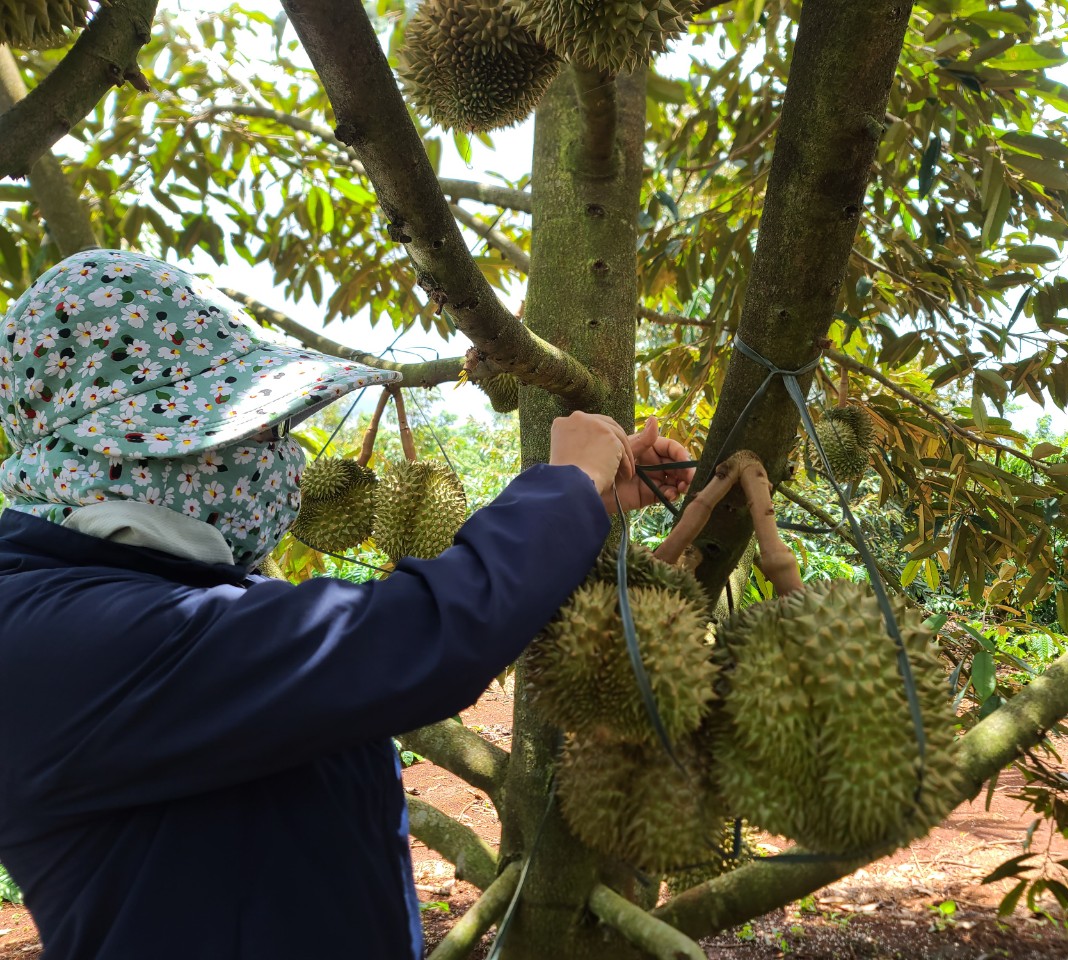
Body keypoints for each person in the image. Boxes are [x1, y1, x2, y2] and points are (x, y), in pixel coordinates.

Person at [0, 249, 695, 960]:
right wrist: (564, 488)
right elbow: (410, 638)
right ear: (131, 455)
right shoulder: (51, 642)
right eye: (250, 431)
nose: (280, 458)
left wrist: (585, 505)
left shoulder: (170, 592)